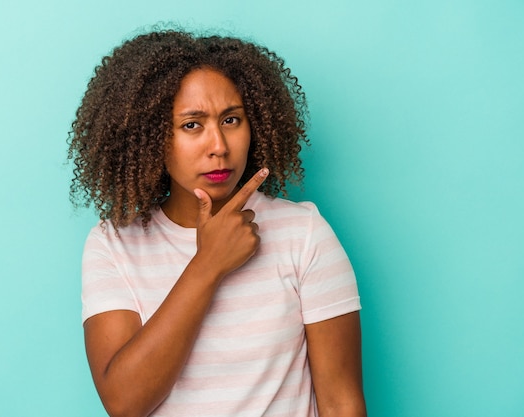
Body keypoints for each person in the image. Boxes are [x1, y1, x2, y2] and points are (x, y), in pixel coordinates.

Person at [68, 27, 366, 417]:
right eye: (192, 124)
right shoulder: (114, 245)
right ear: (151, 136)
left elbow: (342, 403)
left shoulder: (303, 234)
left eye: (231, 120)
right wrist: (207, 265)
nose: (219, 147)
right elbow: (124, 402)